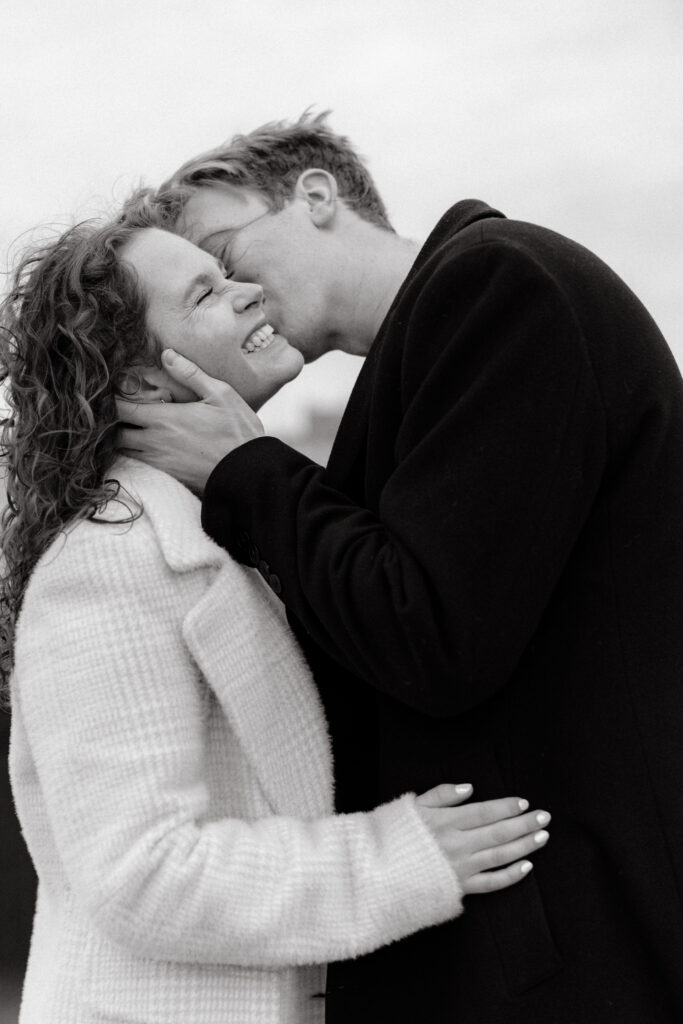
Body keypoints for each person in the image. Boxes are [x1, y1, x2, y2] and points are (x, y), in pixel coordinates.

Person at [118, 112, 683, 1023]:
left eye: (224, 255)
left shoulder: (499, 283)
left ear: (314, 195)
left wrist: (246, 468)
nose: (238, 297)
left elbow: (431, 635)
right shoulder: (423, 359)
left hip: (579, 949)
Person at [0, 204, 549, 1024]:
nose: (248, 291)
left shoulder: (213, 533)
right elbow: (139, 873)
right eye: (205, 294)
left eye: (228, 275)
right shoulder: (108, 561)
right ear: (145, 384)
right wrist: (400, 858)